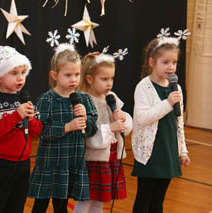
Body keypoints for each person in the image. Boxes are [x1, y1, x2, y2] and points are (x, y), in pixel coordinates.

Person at [28, 43, 98, 213]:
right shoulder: (47, 99)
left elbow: (92, 129)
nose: (73, 79)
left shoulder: (85, 100)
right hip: (50, 163)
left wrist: (85, 118)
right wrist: (67, 126)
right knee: (40, 205)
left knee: (62, 206)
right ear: (55, 75)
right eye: (68, 75)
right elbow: (41, 131)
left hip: (70, 162)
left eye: (77, 74)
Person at [131, 36, 191, 213]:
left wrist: (183, 150)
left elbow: (179, 122)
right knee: (144, 200)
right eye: (165, 62)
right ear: (152, 62)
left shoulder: (176, 87)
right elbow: (142, 118)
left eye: (174, 62)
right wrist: (167, 104)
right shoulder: (144, 87)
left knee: (158, 201)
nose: (171, 67)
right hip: (150, 154)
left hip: (168, 152)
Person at [0, 45, 42, 213]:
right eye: (14, 73)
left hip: (23, 164)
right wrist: (16, 115)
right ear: (0, 77)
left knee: (16, 207)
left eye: (23, 73)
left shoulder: (24, 98)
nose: (20, 78)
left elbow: (37, 132)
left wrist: (31, 119)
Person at [74, 52, 132, 213]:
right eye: (104, 79)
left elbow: (124, 125)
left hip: (110, 155)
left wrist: (122, 119)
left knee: (101, 200)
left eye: (111, 78)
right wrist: (110, 128)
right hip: (92, 159)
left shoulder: (111, 97)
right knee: (85, 200)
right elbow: (87, 134)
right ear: (90, 79)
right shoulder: (84, 100)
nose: (109, 83)